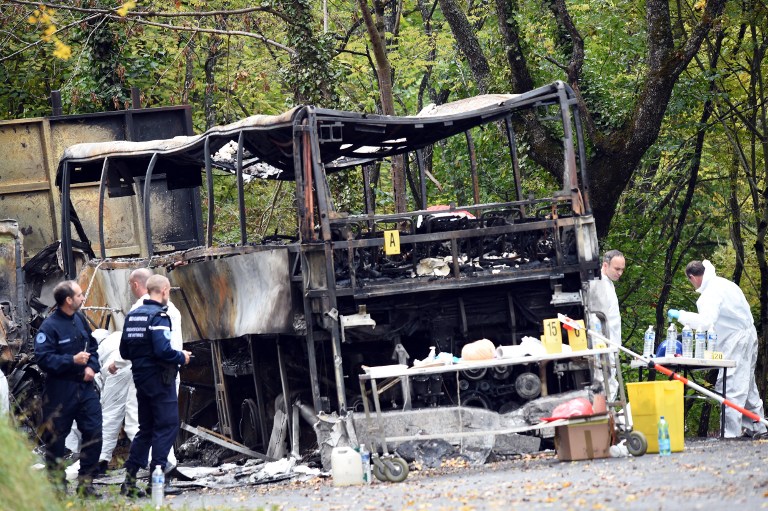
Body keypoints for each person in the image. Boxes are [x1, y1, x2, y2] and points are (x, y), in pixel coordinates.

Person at [668, 259, 767, 439]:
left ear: (692, 277)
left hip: (737, 340)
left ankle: (730, 434)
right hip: (747, 336)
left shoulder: (710, 293)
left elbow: (706, 322)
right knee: (747, 383)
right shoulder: (725, 284)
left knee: (730, 385)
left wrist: (681, 315)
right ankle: (758, 427)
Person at [119, 275, 190, 497]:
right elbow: (163, 351)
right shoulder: (159, 316)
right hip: (160, 379)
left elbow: (124, 352)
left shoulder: (132, 316)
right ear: (165, 290)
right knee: (167, 426)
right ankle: (156, 480)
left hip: (140, 379)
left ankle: (129, 482)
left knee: (146, 429)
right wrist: (182, 357)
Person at [35, 280, 102, 497]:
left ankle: (86, 483)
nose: (83, 298)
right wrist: (71, 360)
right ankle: (57, 488)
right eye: (80, 295)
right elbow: (43, 359)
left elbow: (92, 346)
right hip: (60, 391)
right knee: (55, 440)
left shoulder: (80, 319)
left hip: (85, 388)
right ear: (68, 300)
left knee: (94, 432)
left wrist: (92, 367)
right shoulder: (49, 327)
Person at [587, 249, 625, 401]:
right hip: (603, 345)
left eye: (622, 269)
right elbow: (595, 318)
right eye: (617, 269)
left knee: (610, 383)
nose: (620, 273)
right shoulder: (599, 284)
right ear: (605, 265)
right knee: (604, 385)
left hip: (611, 344)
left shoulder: (609, 283)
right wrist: (599, 345)